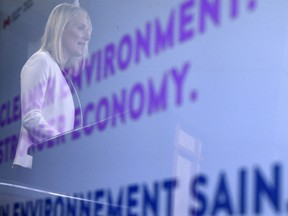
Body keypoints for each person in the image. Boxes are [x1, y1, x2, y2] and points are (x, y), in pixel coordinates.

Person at [13, 3, 92, 168]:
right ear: (61, 28)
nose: (87, 36)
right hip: (32, 169)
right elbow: (31, 118)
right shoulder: (41, 60)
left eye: (88, 31)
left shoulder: (64, 77)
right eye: (80, 28)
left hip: (53, 167)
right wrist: (64, 146)